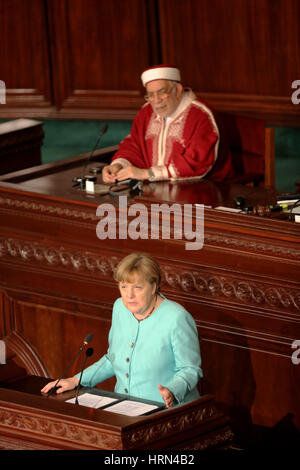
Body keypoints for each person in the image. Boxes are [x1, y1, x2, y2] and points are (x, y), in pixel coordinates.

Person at [41, 253, 203, 408]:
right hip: (124, 409)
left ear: (154, 286)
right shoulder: (120, 307)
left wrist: (172, 391)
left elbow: (190, 369)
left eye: (138, 287)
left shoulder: (177, 317)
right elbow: (113, 359)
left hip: (167, 411)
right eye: (124, 286)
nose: (129, 295)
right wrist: (76, 380)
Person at [102, 64, 234, 184]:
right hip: (155, 190)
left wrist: (147, 174)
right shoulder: (145, 112)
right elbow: (134, 145)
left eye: (162, 92)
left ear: (177, 89)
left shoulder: (201, 115)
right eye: (150, 95)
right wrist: (118, 165)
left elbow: (197, 164)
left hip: (201, 189)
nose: (156, 101)